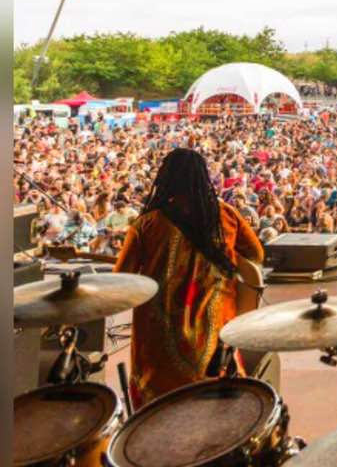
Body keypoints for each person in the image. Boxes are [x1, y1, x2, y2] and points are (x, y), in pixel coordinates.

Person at [113, 148, 263, 408]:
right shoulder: (226, 215)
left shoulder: (146, 225)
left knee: (159, 415)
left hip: (159, 348)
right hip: (216, 336)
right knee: (220, 409)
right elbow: (256, 254)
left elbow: (120, 281)